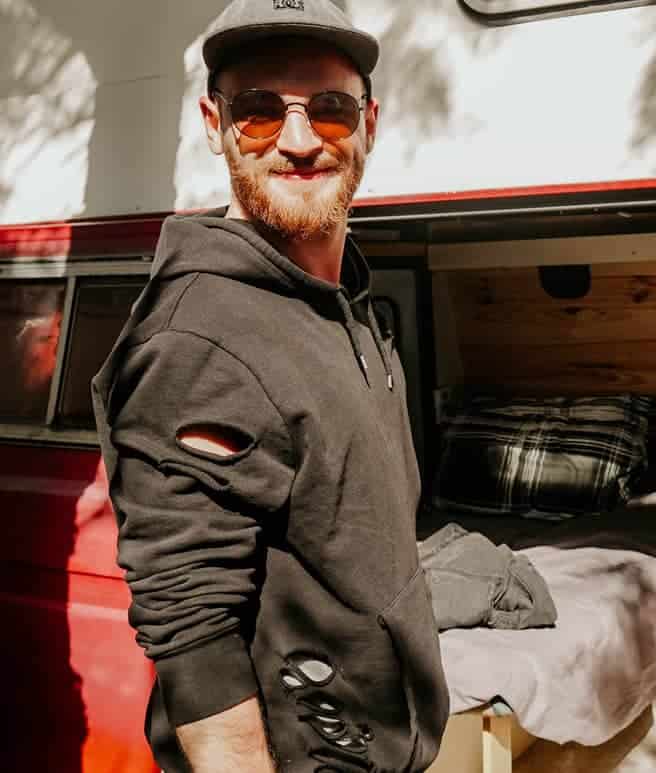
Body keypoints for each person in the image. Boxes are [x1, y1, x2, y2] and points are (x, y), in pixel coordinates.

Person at [91, 1, 449, 771]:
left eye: (330, 108)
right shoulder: (196, 339)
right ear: (214, 124)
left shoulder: (343, 301)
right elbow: (194, 634)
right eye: (258, 111)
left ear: (369, 124)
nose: (298, 139)